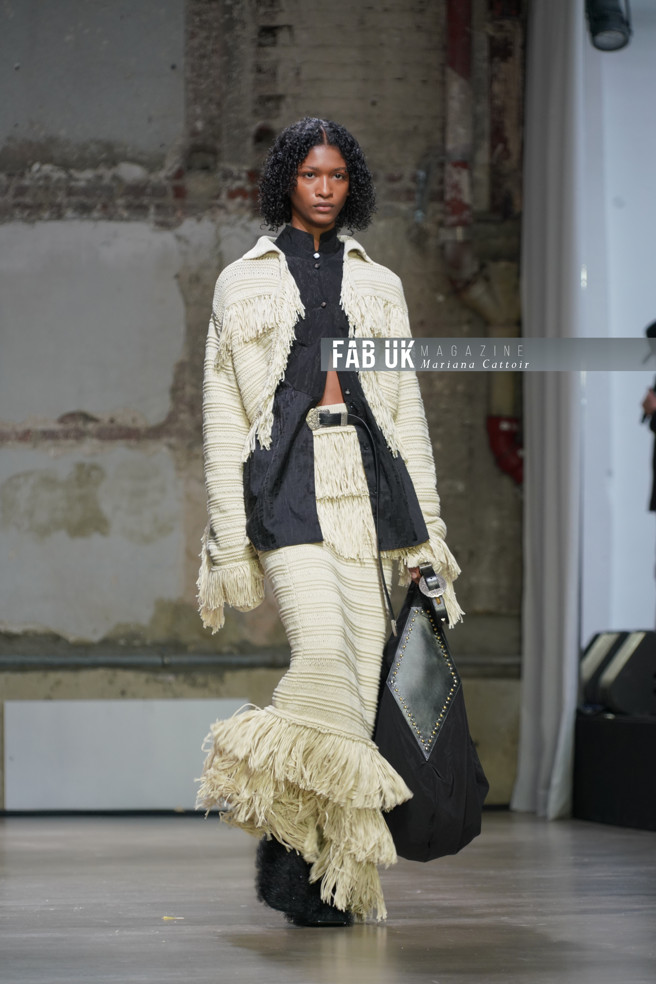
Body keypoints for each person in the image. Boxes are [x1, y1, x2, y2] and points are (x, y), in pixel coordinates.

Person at [195, 118, 463, 926]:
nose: (324, 188)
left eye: (337, 175)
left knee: (355, 683)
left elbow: (406, 410)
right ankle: (290, 844)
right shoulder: (241, 282)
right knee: (319, 655)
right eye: (311, 174)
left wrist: (428, 535)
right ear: (287, 179)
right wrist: (229, 539)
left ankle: (313, 872)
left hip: (370, 491)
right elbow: (221, 415)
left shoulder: (380, 285)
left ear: (353, 185)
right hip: (287, 484)